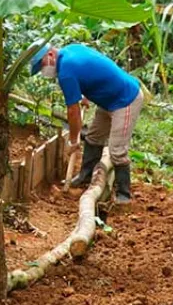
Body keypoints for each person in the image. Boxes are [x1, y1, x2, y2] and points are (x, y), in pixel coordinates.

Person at [30, 43, 145, 204]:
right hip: (107, 99)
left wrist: (73, 140)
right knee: (93, 138)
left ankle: (123, 194)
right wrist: (84, 93)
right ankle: (85, 176)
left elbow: (73, 111)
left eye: (41, 65)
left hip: (125, 100)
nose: (43, 71)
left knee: (117, 150)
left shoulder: (66, 73)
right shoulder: (71, 49)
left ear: (50, 56)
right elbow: (91, 68)